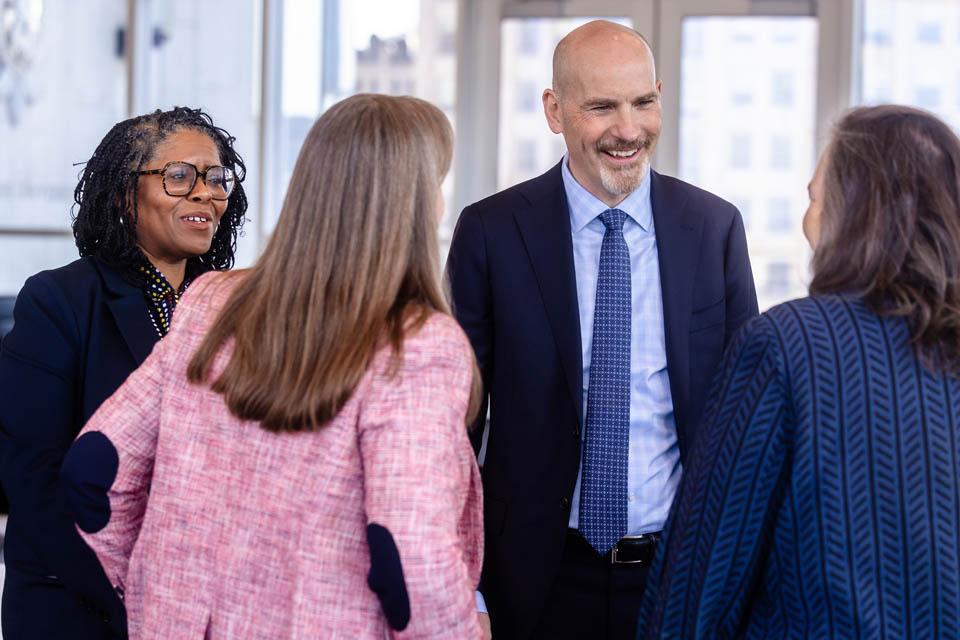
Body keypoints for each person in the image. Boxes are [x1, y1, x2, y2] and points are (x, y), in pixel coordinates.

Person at [59, 94, 486, 639]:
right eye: (438, 184)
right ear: (415, 201)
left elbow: (97, 472)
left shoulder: (214, 300)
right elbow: (412, 560)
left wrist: (155, 589)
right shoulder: (415, 343)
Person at [446, 19, 758, 640]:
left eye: (644, 102)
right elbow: (455, 429)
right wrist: (467, 586)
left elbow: (746, 419)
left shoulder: (715, 227)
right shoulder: (491, 232)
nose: (628, 129)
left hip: (679, 576)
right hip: (535, 579)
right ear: (555, 111)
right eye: (602, 107)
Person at [637, 104, 960, 638]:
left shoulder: (787, 347)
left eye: (814, 198)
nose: (806, 220)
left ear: (853, 212)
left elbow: (699, 585)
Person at [0, 106, 247, 639]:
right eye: (179, 176)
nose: (204, 192)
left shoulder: (233, 311)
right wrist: (132, 589)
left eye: (216, 177)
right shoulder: (60, 299)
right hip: (78, 601)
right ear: (122, 194)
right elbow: (31, 474)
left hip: (199, 605)